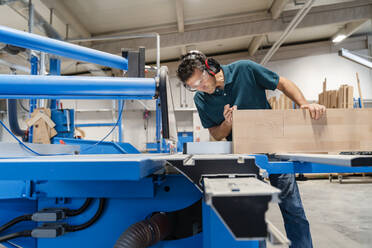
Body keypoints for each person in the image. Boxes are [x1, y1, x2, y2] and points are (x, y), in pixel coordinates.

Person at [176, 51, 326, 248]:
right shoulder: (201, 99)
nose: (200, 88)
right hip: (241, 155)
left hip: (274, 147)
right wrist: (228, 123)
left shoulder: (244, 69)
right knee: (251, 214)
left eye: (201, 80)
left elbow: (282, 83)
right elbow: (217, 134)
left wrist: (304, 105)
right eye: (193, 86)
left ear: (210, 68)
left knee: (292, 207)